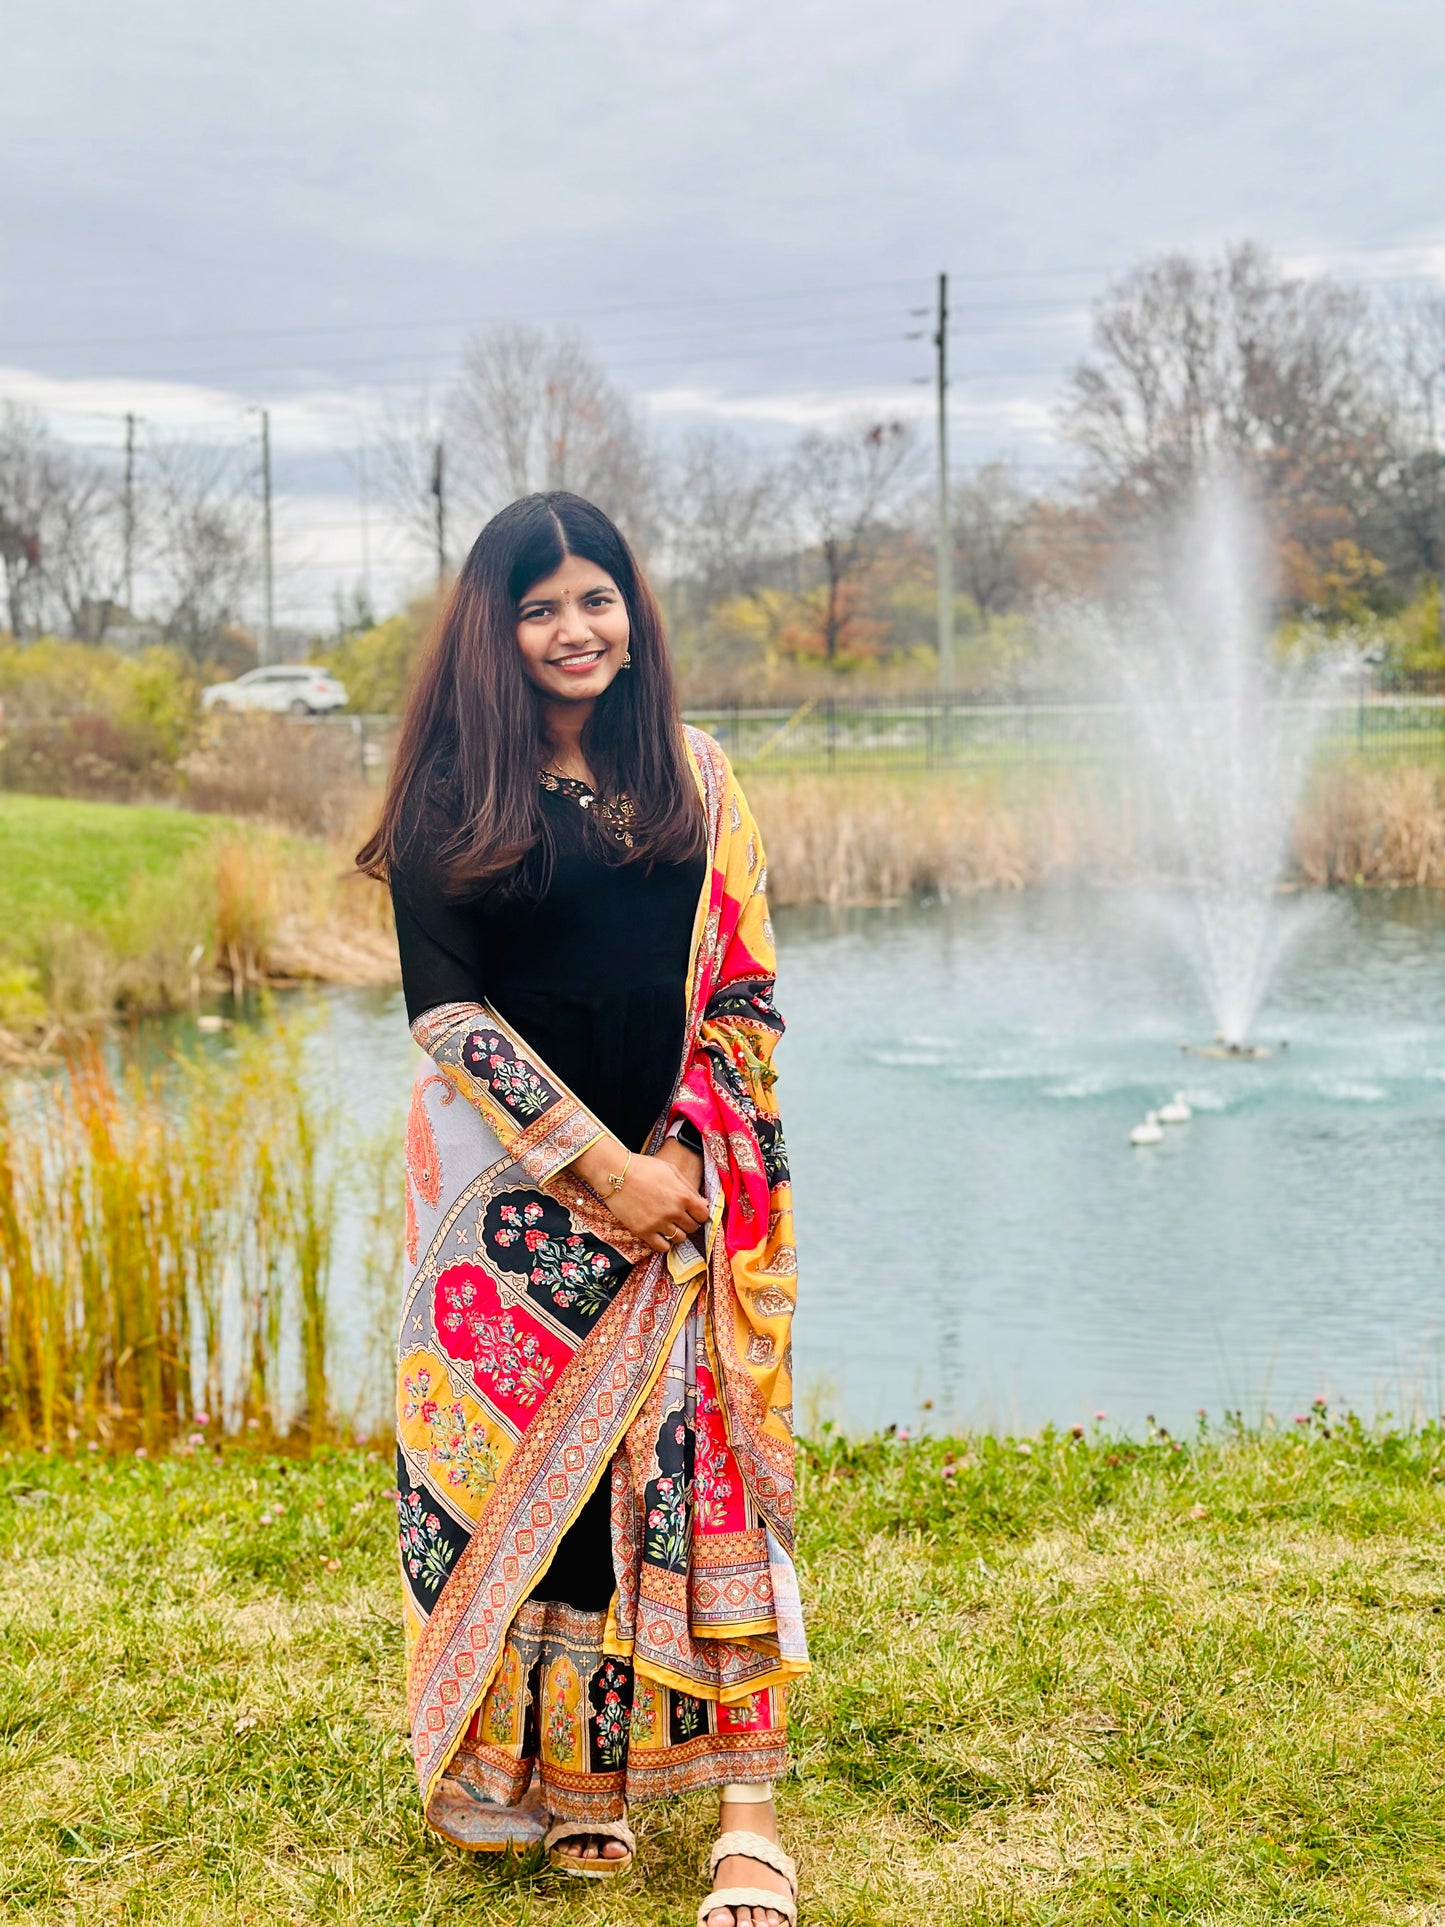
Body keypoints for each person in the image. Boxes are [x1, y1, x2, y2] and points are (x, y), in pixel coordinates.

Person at [357, 492, 806, 1927]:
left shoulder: (698, 779)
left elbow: (744, 988)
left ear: (633, 609)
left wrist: (678, 1159)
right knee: (536, 1506)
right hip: (512, 1211)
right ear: (495, 630)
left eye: (594, 597)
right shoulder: (448, 793)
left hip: (690, 1196)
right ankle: (572, 1781)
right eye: (538, 605)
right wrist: (595, 1173)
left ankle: (746, 1819)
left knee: (701, 1472)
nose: (572, 628)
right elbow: (444, 1012)